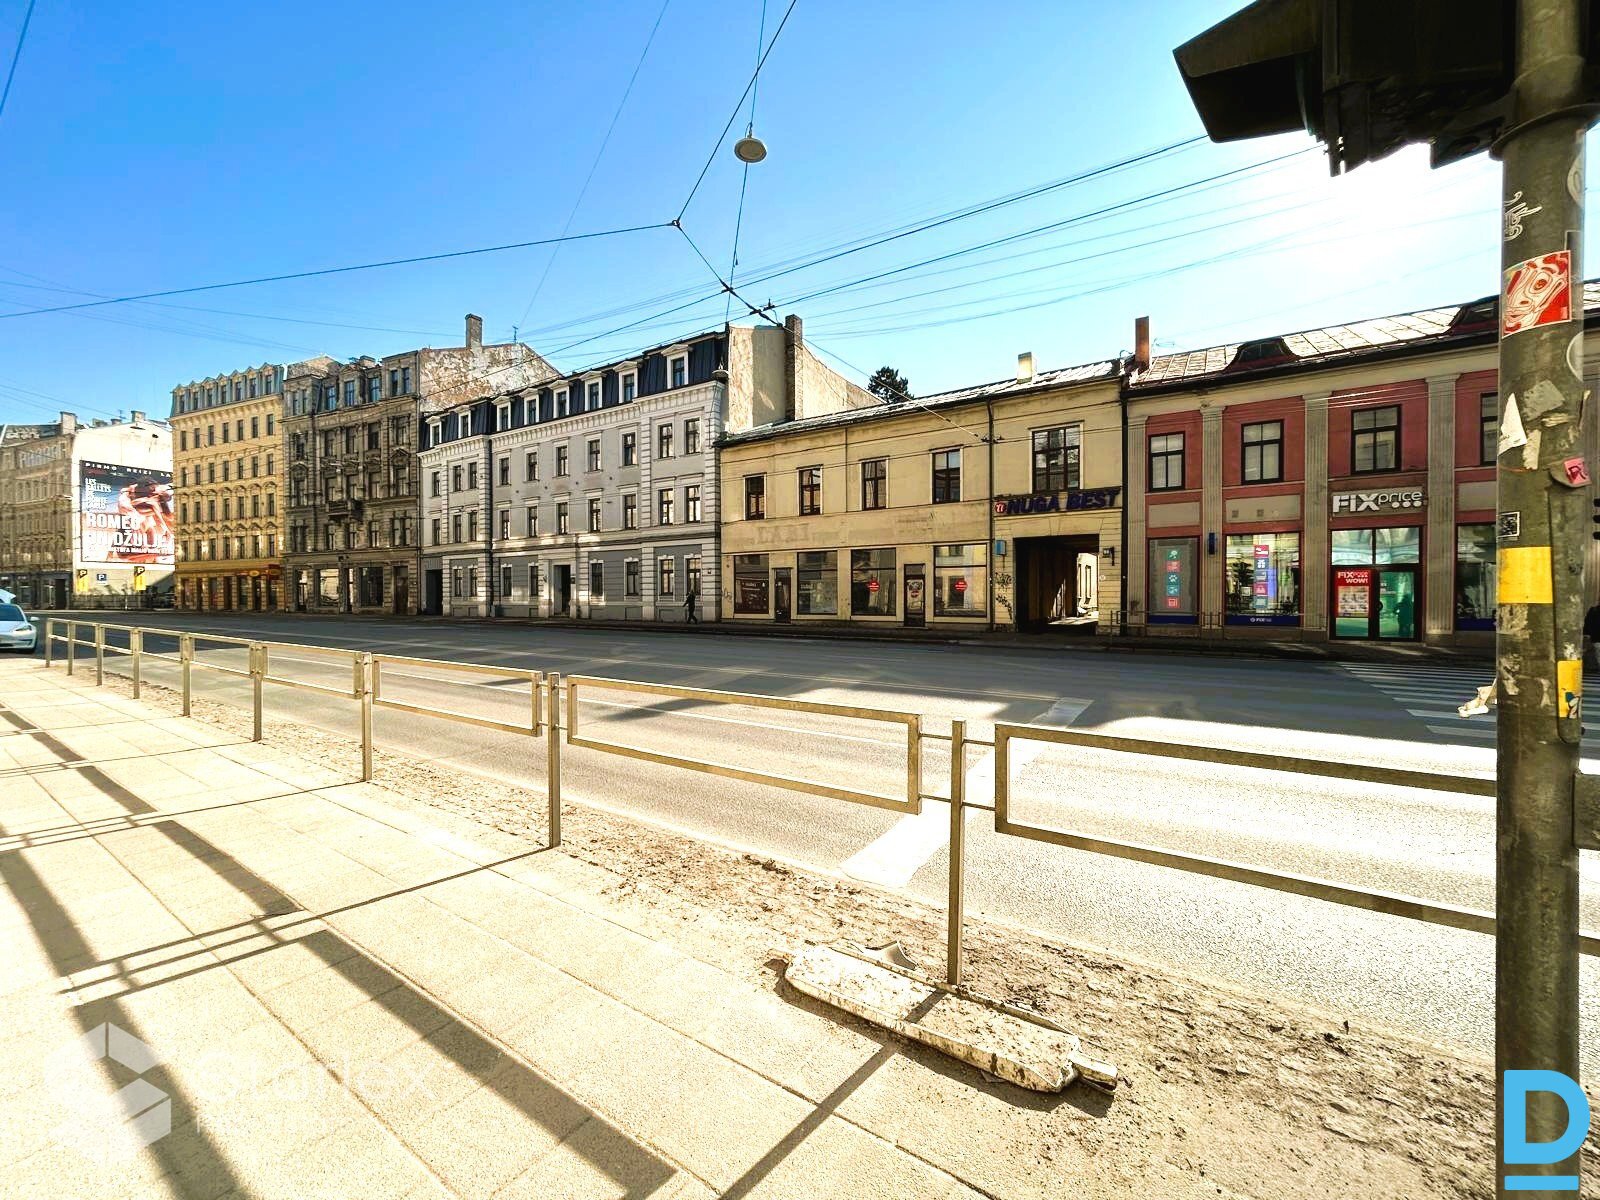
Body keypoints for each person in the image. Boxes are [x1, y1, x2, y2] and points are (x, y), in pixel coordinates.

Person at [1586, 600, 1600, 670]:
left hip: (1596, 638)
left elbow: (1587, 623)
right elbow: (1588, 623)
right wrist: (1587, 634)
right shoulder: (1593, 610)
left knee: (1598, 654)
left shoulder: (1593, 610)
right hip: (1596, 638)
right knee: (1598, 654)